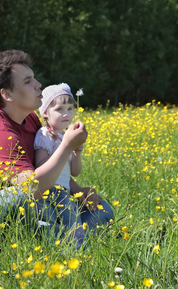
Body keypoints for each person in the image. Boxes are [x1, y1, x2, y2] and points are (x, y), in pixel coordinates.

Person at [0, 50, 113, 240]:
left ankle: (64, 236)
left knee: (103, 210)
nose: (38, 84)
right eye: (28, 81)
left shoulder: (30, 119)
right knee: (18, 197)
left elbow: (44, 170)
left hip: (25, 211)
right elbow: (31, 188)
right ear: (7, 94)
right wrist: (67, 146)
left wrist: (78, 190)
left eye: (34, 78)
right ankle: (70, 240)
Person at [34, 83, 101, 249]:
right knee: (68, 223)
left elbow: (75, 172)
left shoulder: (67, 136)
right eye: (59, 109)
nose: (66, 114)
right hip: (51, 191)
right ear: (45, 114)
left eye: (70, 108)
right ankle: (76, 250)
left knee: (72, 221)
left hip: (65, 192)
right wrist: (66, 147)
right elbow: (41, 164)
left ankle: (70, 250)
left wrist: (76, 152)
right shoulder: (44, 135)